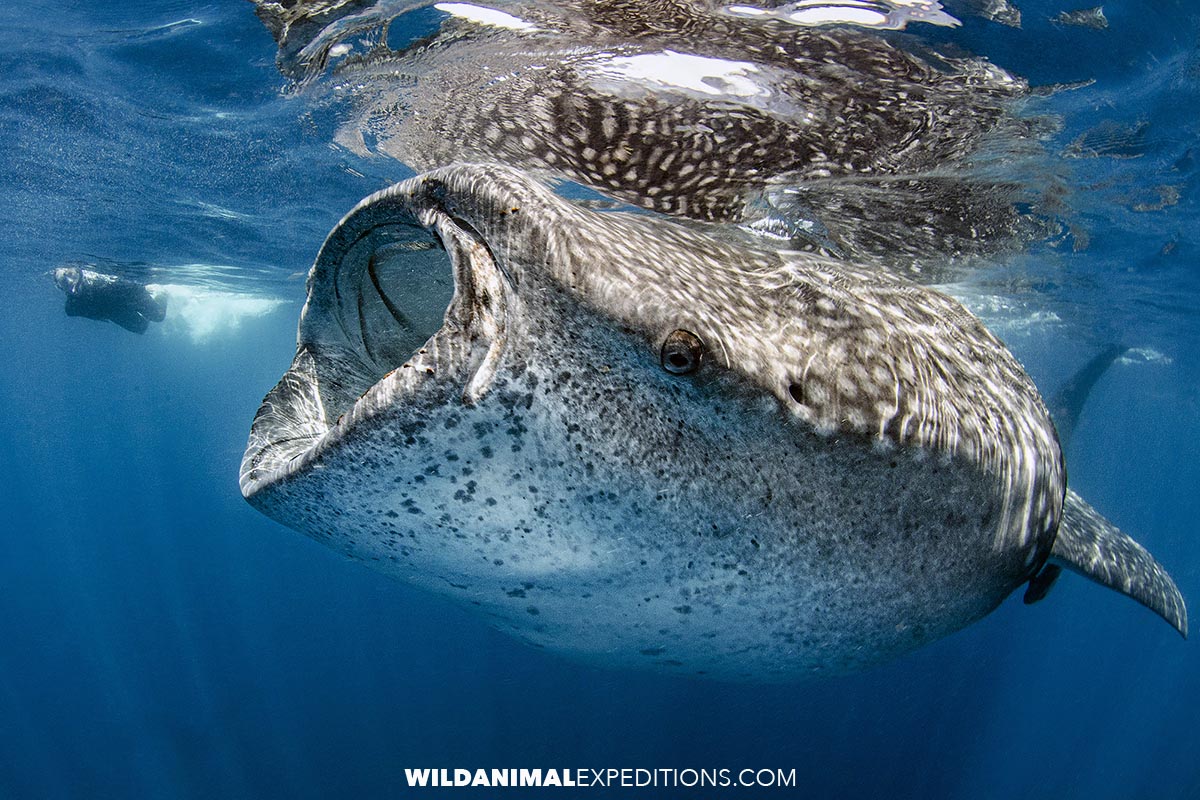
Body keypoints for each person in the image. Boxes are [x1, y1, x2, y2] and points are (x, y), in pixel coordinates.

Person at [52, 265, 167, 334]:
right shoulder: (72, 306)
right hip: (115, 311)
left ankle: (159, 292)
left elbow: (120, 283)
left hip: (130, 295)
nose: (70, 281)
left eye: (70, 274)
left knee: (158, 317)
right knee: (142, 328)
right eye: (64, 282)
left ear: (78, 273)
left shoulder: (95, 282)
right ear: (60, 287)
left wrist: (141, 289)